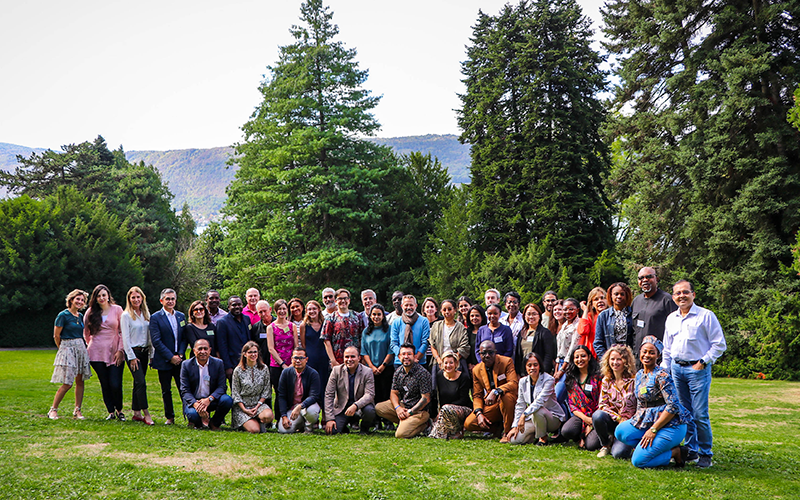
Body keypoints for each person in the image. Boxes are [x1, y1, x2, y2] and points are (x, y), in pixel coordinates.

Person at [662, 279, 727, 468]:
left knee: (699, 414)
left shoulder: (706, 316)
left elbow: (719, 344)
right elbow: (667, 347)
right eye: (677, 293)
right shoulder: (671, 318)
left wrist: (703, 361)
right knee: (684, 413)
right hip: (676, 369)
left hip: (697, 369)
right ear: (673, 297)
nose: (681, 296)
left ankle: (706, 453)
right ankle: (691, 450)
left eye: (685, 292)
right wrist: (666, 369)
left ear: (693, 294)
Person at [615, 336, 692, 468]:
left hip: (670, 425)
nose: (647, 355)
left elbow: (673, 407)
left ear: (658, 355)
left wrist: (653, 429)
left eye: (652, 352)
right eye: (644, 351)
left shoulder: (662, 376)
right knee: (621, 431)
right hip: (648, 421)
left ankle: (676, 452)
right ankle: (649, 449)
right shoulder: (639, 375)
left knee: (639, 461)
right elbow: (641, 402)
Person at [49, 289, 92, 420]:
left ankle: (77, 410)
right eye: (77, 299)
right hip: (67, 348)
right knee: (68, 382)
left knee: (80, 380)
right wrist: (63, 349)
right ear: (71, 300)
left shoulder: (80, 316)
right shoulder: (63, 315)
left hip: (80, 348)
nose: (80, 302)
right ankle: (53, 409)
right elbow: (56, 335)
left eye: (82, 300)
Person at [84, 284, 125, 421]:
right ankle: (111, 412)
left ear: (108, 296)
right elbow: (86, 333)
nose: (101, 298)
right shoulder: (90, 312)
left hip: (115, 351)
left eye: (103, 295)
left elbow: (122, 331)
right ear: (95, 298)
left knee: (115, 383)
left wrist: (120, 349)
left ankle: (120, 410)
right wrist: (91, 345)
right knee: (105, 383)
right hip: (96, 353)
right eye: (98, 296)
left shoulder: (117, 309)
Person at [464, 340, 519, 442]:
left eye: (490, 352)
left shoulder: (506, 362)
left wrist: (496, 391)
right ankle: (497, 428)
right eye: (484, 353)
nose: (487, 355)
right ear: (479, 354)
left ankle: (507, 432)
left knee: (506, 397)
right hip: (492, 404)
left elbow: (513, 383)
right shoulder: (476, 370)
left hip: (508, 402)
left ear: (495, 352)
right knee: (469, 423)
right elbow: (477, 395)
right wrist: (479, 413)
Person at [375, 343, 433, 439]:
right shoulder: (398, 372)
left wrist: (410, 412)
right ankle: (405, 422)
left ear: (414, 357)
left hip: (419, 411)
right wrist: (398, 408)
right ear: (399, 356)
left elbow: (426, 399)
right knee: (379, 408)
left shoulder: (422, 373)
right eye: (403, 354)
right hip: (404, 406)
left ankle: (424, 425)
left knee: (400, 434)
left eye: (409, 354)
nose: (406, 357)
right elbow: (393, 393)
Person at [507, 352, 565, 445]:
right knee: (514, 440)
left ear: (540, 366)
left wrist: (524, 415)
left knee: (538, 410)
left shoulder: (549, 379)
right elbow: (520, 404)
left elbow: (540, 401)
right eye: (529, 365)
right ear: (525, 367)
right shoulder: (522, 381)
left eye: (535, 365)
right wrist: (515, 425)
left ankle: (543, 438)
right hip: (534, 417)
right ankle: (534, 435)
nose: (532, 368)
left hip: (552, 418)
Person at [149, 288, 187, 425]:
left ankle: (189, 416)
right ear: (161, 301)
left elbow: (184, 338)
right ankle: (170, 417)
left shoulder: (181, 317)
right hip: (164, 360)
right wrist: (171, 357)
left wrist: (181, 354)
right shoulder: (155, 318)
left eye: (172, 299)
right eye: (167, 299)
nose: (170, 301)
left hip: (180, 359)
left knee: (184, 389)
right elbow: (156, 341)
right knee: (166, 390)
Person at [592, 345, 637, 458]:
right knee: (597, 415)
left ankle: (628, 442)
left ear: (626, 361)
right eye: (612, 359)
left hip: (629, 424)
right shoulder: (606, 380)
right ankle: (606, 445)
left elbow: (640, 406)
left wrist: (627, 421)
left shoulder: (634, 380)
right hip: (614, 420)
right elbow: (602, 405)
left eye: (619, 359)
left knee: (618, 454)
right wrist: (618, 418)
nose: (615, 362)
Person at [179, 339, 233, 430]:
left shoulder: (218, 363)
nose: (203, 352)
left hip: (211, 400)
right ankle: (200, 422)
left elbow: (222, 387)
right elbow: (185, 390)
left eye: (205, 349)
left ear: (210, 350)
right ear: (194, 351)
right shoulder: (186, 365)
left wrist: (209, 399)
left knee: (227, 400)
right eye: (200, 349)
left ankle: (214, 423)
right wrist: (196, 404)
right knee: (192, 415)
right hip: (195, 401)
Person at [324, 345, 376, 434]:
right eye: (347, 357)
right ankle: (344, 428)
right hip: (342, 407)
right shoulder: (336, 371)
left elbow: (370, 394)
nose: (349, 359)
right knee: (332, 431)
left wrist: (356, 405)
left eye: (353, 356)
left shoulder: (367, 372)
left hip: (360, 407)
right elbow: (329, 394)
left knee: (370, 411)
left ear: (359, 358)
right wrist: (330, 419)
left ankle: (364, 429)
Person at [121, 286, 154, 425]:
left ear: (142, 298)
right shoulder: (126, 315)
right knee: (141, 382)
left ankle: (136, 413)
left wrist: (152, 354)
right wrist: (131, 357)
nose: (136, 300)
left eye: (138, 297)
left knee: (137, 383)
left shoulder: (146, 314)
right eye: (133, 297)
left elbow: (150, 336)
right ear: (129, 299)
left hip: (145, 351)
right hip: (133, 353)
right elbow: (125, 338)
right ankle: (146, 414)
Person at [560, 345, 602, 450]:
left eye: (583, 356)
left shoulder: (598, 376)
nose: (580, 360)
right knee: (566, 431)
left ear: (589, 357)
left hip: (597, 416)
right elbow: (573, 406)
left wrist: (592, 423)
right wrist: (586, 420)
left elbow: (603, 402)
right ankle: (581, 436)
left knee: (591, 445)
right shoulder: (571, 378)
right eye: (576, 357)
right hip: (582, 415)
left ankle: (603, 435)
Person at [631, 267, 678, 359]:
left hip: (659, 357)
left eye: (649, 277)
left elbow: (676, 330)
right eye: (641, 278)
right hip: (639, 357)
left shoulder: (666, 300)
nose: (645, 280)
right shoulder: (636, 300)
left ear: (657, 279)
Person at [360, 304, 394, 425]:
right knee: (374, 395)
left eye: (379, 314)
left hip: (387, 368)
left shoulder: (389, 329)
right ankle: (376, 422)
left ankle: (388, 421)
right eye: (374, 314)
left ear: (383, 316)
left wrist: (383, 365)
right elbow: (364, 351)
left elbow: (391, 349)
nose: (376, 317)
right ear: (370, 316)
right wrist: (372, 367)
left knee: (386, 395)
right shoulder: (366, 331)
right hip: (371, 370)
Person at [231, 341, 274, 433]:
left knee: (268, 416)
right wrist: (245, 409)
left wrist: (258, 405)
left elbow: (266, 391)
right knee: (255, 430)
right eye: (250, 352)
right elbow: (235, 393)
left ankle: (259, 420)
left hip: (258, 404)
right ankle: (247, 423)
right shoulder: (238, 371)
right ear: (245, 354)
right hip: (243, 406)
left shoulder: (264, 368)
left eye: (255, 352)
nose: (253, 354)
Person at [428, 350, 472, 439]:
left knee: (446, 408)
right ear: (442, 364)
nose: (448, 365)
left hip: (463, 409)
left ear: (456, 364)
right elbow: (439, 397)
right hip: (445, 411)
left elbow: (464, 399)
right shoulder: (439, 376)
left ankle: (436, 434)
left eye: (451, 363)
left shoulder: (464, 377)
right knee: (445, 409)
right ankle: (448, 432)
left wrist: (446, 408)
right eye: (446, 363)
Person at [277, 347, 322, 434]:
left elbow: (314, 396)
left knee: (312, 412)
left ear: (306, 359)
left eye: (301, 358)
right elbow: (281, 396)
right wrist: (284, 416)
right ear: (291, 359)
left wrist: (300, 406)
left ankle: (309, 428)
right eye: (295, 358)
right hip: (292, 408)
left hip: (307, 406)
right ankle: (300, 424)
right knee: (284, 430)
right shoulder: (286, 373)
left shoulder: (313, 374)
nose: (298, 361)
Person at [321, 288, 365, 367]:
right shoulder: (330, 318)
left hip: (355, 360)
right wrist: (333, 360)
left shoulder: (357, 317)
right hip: (338, 361)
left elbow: (363, 337)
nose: (343, 301)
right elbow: (326, 340)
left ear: (349, 300)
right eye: (340, 298)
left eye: (345, 298)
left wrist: (362, 357)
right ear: (335, 301)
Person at [594, 282, 634, 361]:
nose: (619, 296)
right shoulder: (603, 316)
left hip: (629, 359)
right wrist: (606, 359)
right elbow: (598, 342)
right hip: (612, 359)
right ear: (611, 296)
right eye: (616, 294)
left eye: (622, 294)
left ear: (627, 296)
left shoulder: (633, 314)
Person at [429, 299, 470, 375]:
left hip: (457, 362)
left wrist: (453, 361)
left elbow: (464, 346)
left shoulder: (460, 327)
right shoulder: (436, 326)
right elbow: (432, 345)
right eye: (444, 310)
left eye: (449, 309)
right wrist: (439, 360)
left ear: (455, 310)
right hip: (439, 361)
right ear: (441, 311)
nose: (447, 312)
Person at [513, 303, 556, 376]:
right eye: (528, 314)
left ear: (539, 316)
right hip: (525, 372)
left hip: (539, 372)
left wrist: (544, 372)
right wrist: (518, 373)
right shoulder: (522, 333)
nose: (531, 317)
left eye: (534, 314)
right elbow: (518, 355)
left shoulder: (545, 332)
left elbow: (548, 355)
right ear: (524, 316)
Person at [216, 296, 252, 381]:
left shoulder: (247, 319)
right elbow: (222, 346)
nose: (237, 307)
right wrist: (227, 366)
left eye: (239, 304)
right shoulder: (222, 322)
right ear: (228, 307)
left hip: (248, 361)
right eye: (234, 305)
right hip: (233, 363)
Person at [267, 299, 298, 395]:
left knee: (292, 391)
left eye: (284, 309)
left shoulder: (292, 326)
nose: (282, 311)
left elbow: (296, 346)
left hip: (292, 363)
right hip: (276, 365)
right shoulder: (271, 327)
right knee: (279, 391)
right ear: (275, 311)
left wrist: (292, 363)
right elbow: (271, 348)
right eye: (279, 309)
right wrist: (282, 364)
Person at [389, 295, 430, 367]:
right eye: (406, 305)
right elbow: (393, 343)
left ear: (416, 306)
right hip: (400, 362)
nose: (409, 307)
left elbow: (425, 342)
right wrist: (403, 357)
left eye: (411, 305)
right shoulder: (396, 322)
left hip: (419, 361)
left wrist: (416, 357)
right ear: (402, 306)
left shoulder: (424, 321)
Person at [303, 300, 330, 393]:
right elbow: (303, 344)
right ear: (306, 311)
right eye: (309, 309)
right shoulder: (304, 325)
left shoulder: (325, 323)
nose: (312, 311)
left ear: (319, 309)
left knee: (325, 384)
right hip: (311, 359)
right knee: (312, 383)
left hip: (324, 358)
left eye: (314, 308)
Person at [576, 287, 607, 358]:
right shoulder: (590, 317)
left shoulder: (611, 315)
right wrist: (586, 310)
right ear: (592, 303)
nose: (600, 301)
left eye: (602, 298)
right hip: (593, 356)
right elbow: (582, 331)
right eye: (596, 299)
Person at [250, 300, 273, 366]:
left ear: (270, 309)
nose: (263, 314)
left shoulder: (278, 324)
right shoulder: (255, 327)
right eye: (260, 312)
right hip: (262, 362)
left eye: (265, 311)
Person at [465, 304, 486, 373]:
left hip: (485, 365)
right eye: (472, 316)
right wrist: (469, 364)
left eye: (477, 315)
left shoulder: (487, 330)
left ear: (482, 317)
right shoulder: (467, 332)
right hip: (471, 367)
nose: (474, 318)